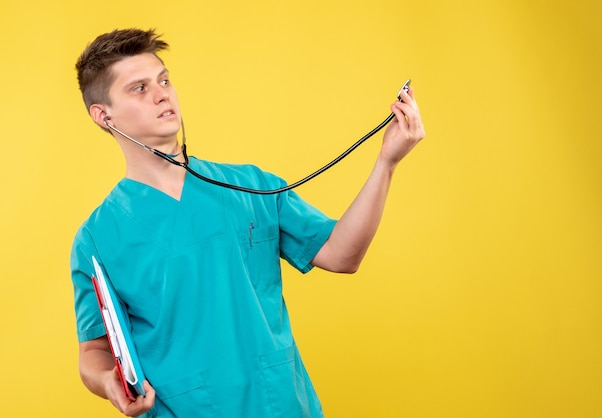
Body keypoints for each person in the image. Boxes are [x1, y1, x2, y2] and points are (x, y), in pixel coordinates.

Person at [70, 28, 425, 418]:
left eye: (164, 80)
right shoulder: (98, 238)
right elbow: (94, 351)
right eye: (139, 88)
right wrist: (108, 383)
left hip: (281, 405)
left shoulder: (252, 187)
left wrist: (386, 162)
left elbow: (343, 255)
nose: (162, 94)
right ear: (104, 116)